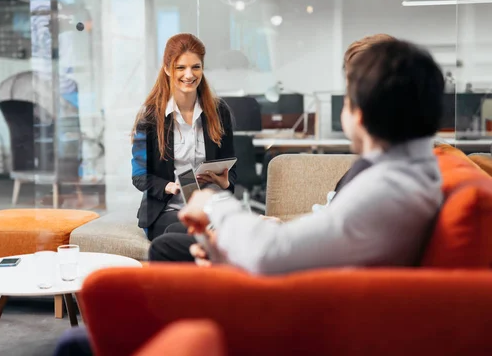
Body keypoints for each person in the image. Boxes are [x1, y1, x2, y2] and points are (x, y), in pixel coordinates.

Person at [177, 38, 445, 274]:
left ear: (358, 115)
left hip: (306, 299)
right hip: (314, 278)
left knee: (169, 248)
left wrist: (214, 204)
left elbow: (268, 254)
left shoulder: (386, 189)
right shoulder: (409, 174)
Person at [148, 33, 397, 263]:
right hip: (300, 248)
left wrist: (215, 206)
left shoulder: (380, 180)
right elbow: (330, 226)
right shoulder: (382, 168)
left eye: (350, 93)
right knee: (175, 237)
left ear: (362, 109)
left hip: (298, 266)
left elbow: (306, 249)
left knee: (166, 246)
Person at [131, 33, 237, 241]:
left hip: (209, 207)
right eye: (181, 67)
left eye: (195, 67)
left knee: (219, 228)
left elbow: (232, 172)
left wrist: (224, 182)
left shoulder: (219, 111)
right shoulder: (152, 117)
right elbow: (139, 175)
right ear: (167, 69)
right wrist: (169, 186)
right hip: (166, 211)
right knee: (194, 232)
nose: (189, 75)